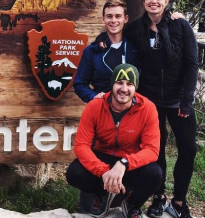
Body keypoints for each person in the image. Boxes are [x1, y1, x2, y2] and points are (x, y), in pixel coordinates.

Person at [122, 0, 199, 218]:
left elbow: (192, 63)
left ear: (166, 1)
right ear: (144, 1)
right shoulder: (136, 28)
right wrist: (101, 41)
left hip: (178, 100)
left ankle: (179, 200)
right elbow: (117, 40)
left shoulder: (180, 26)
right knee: (156, 150)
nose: (153, 2)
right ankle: (158, 197)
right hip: (151, 99)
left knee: (188, 148)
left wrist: (187, 99)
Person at [66, 63, 162, 218]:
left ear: (135, 87)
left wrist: (124, 163)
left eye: (130, 84)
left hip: (129, 161)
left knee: (155, 174)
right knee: (74, 173)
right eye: (119, 82)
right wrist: (103, 171)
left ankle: (132, 203)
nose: (124, 89)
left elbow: (152, 150)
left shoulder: (148, 109)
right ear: (112, 85)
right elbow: (81, 146)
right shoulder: (95, 106)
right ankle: (101, 194)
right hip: (102, 156)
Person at [73, 0, 139, 103]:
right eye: (109, 16)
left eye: (118, 16)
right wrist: (94, 97)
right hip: (103, 109)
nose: (113, 20)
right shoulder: (92, 51)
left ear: (125, 19)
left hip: (131, 109)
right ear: (103, 19)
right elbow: (80, 84)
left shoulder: (136, 48)